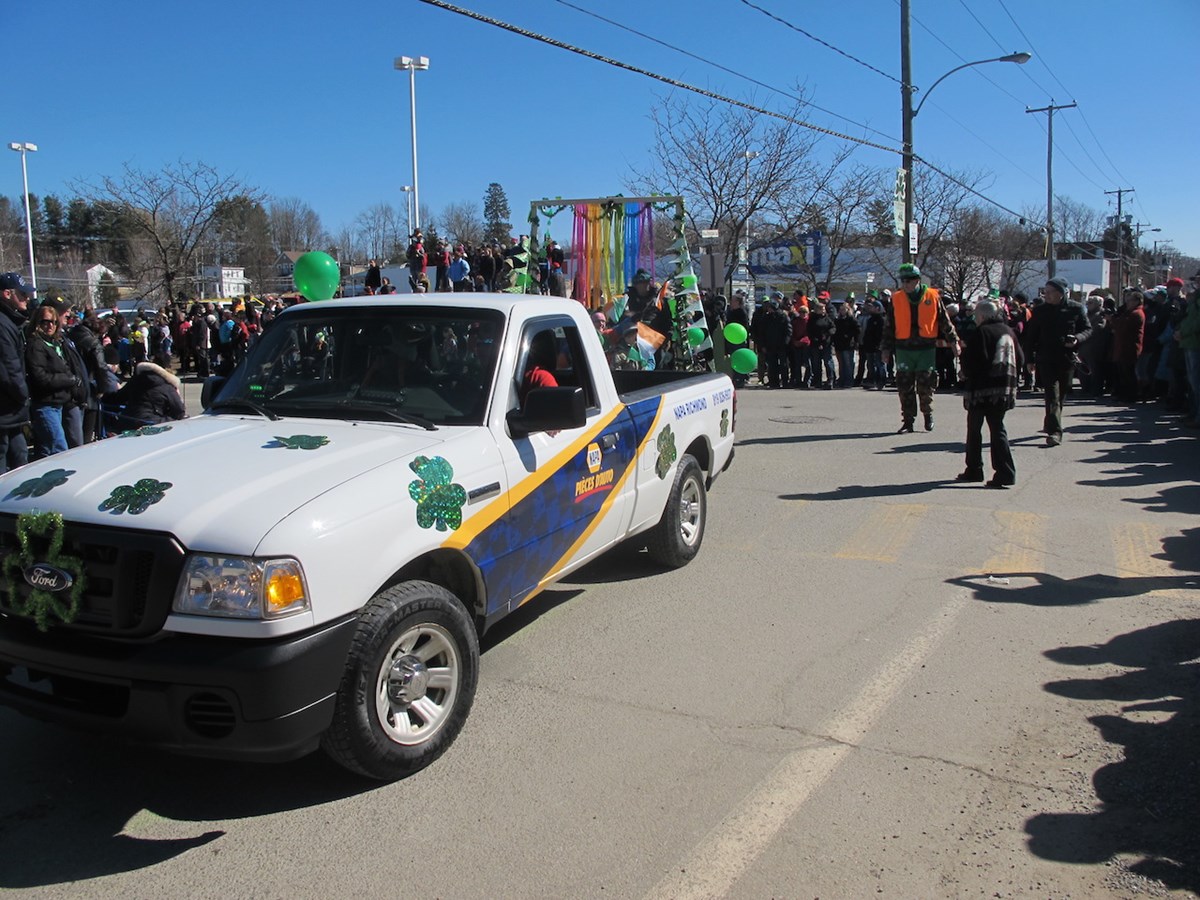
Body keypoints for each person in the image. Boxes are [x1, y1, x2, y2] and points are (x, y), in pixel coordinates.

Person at [881, 263, 957, 432]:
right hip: (903, 348)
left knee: (925, 385)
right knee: (904, 386)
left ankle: (928, 414)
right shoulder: (897, 298)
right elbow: (889, 326)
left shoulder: (932, 296)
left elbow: (945, 321)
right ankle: (908, 420)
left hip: (926, 348)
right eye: (903, 281)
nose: (905, 284)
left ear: (917, 281)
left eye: (908, 281)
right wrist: (885, 349)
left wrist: (954, 342)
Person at [957, 300, 1023, 488]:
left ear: (983, 316)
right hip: (1005, 389)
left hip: (982, 390)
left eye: (976, 316)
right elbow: (1020, 357)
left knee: (975, 429)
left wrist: (964, 371)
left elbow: (975, 361)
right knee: (998, 429)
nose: (975, 319)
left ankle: (975, 469)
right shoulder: (1008, 331)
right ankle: (1005, 471)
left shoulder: (982, 332)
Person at [1022, 276, 1091, 447]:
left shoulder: (1076, 309)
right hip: (1046, 358)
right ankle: (1055, 432)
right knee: (1051, 394)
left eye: (1051, 292)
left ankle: (1051, 421)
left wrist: (1076, 338)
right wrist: (1029, 359)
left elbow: (1088, 329)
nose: (1047, 295)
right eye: (1045, 292)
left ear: (1061, 293)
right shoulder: (1040, 311)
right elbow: (1030, 337)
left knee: (1061, 394)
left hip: (1067, 358)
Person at [25, 299, 85, 459]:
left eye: (53, 322)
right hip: (45, 406)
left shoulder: (56, 343)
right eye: (45, 322)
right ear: (38, 322)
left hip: (59, 404)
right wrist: (70, 379)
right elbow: (41, 378)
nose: (49, 326)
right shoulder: (35, 345)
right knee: (60, 449)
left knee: (47, 450)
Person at [0, 273, 32, 471]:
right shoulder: (3, 324)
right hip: (6, 408)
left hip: (12, 410)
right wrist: (24, 395)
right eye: (22, 294)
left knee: (20, 456)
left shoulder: (11, 322)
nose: (27, 298)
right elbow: (9, 367)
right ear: (6, 294)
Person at [110, 360, 186, 426]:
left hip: (128, 420)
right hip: (151, 423)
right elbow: (179, 411)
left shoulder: (135, 380)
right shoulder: (167, 386)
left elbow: (118, 398)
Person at [1108, 290, 1145, 403]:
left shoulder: (1136, 313)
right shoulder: (1128, 312)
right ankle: (1124, 394)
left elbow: (1123, 326)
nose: (1127, 303)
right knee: (1123, 373)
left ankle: (1131, 395)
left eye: (1130, 300)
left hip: (1129, 347)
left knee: (1129, 373)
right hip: (1122, 347)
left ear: (1137, 301)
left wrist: (1112, 319)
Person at [1175, 272, 1200, 428]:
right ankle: (1193, 414)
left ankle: (1197, 417)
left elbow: (1197, 322)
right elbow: (1188, 319)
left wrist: (1182, 332)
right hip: (1188, 343)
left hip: (1195, 343)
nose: (1197, 282)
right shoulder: (1195, 298)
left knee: (1197, 383)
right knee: (1192, 383)